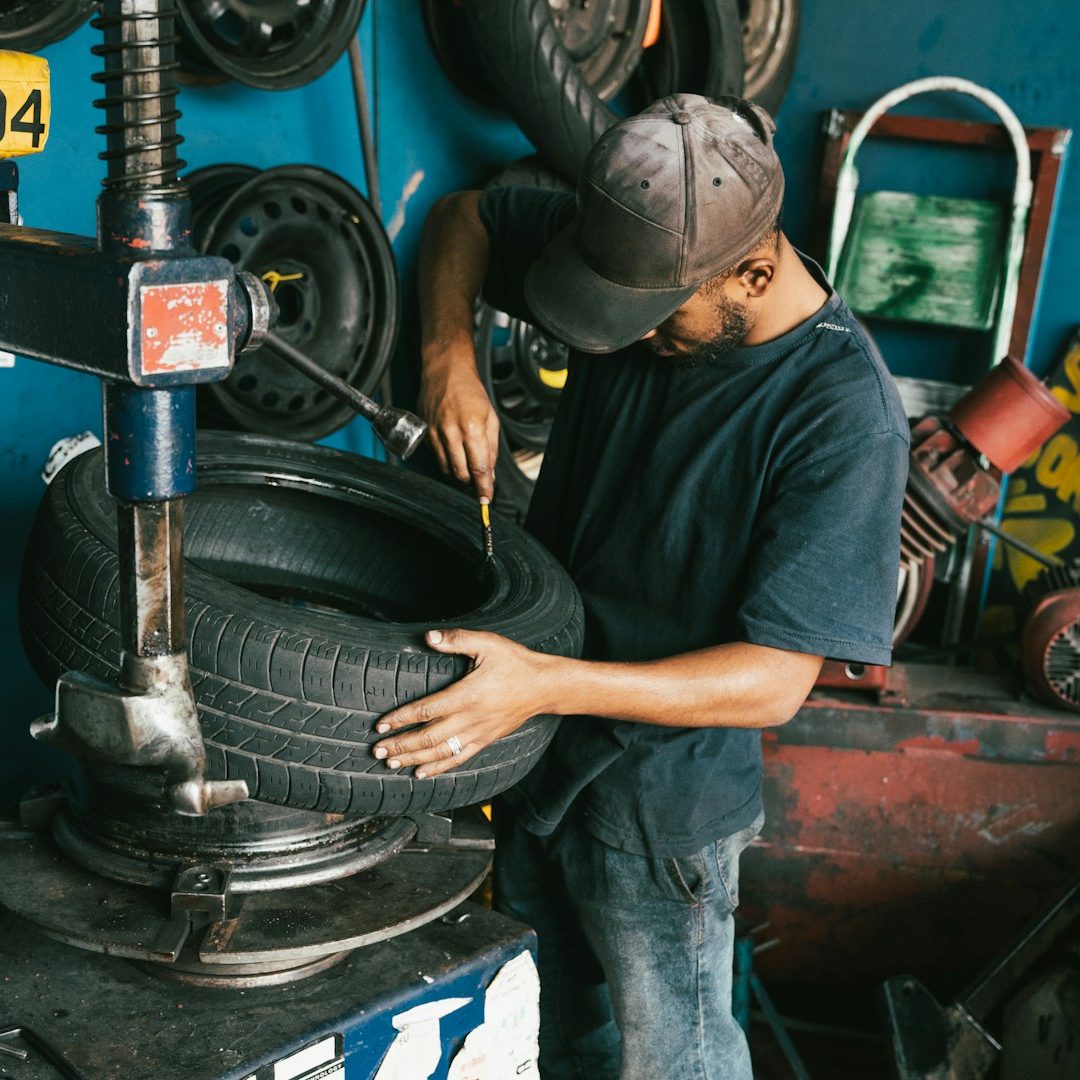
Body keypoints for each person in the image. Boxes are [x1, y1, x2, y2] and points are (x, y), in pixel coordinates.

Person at [372, 94, 909, 1079]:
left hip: (659, 816)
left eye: (657, 320)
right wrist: (448, 357)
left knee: (675, 1063)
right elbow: (465, 218)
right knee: (556, 1044)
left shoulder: (842, 416)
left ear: (753, 273)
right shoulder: (642, 250)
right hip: (533, 757)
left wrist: (543, 684)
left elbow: (774, 681)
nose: (628, 337)